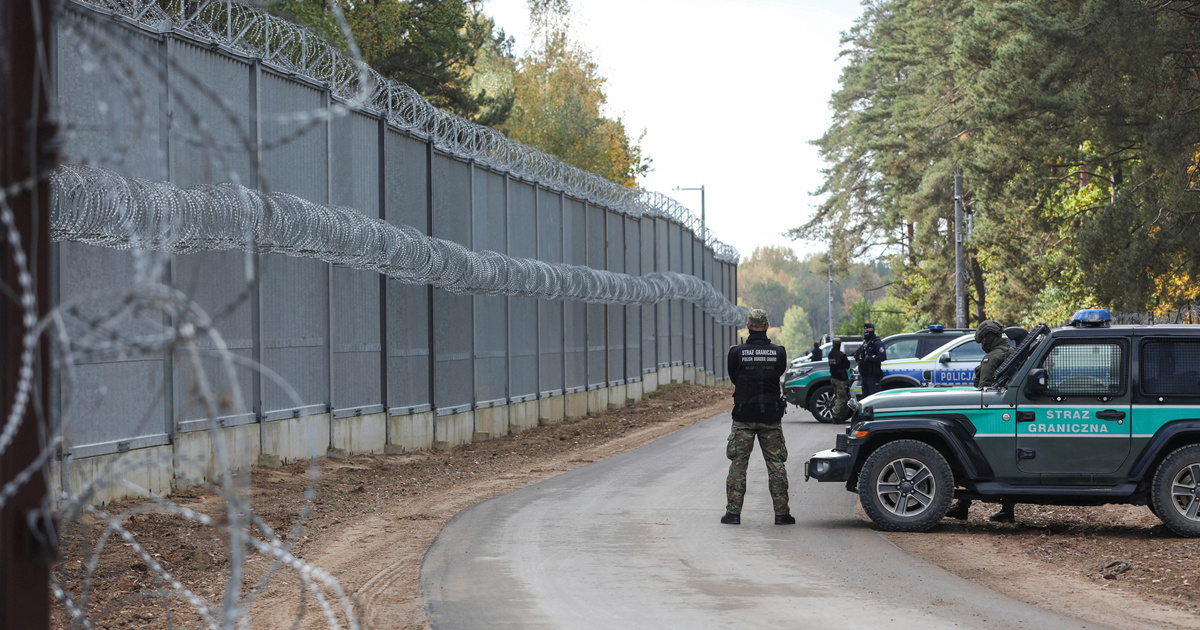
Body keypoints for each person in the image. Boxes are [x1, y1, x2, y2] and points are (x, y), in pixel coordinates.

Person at [722, 308, 795, 526]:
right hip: (771, 417)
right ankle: (782, 515)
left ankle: (733, 514)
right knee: (776, 464)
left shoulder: (736, 352)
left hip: (744, 416)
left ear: (748, 326)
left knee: (738, 464)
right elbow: (779, 372)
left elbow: (735, 378)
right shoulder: (779, 352)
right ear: (767, 326)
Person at [945, 320, 1017, 523]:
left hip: (991, 415)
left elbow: (983, 390)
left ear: (989, 337)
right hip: (1006, 414)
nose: (982, 345)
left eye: (983, 340)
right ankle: (1006, 510)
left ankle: (962, 506)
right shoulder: (1010, 352)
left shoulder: (993, 357)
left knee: (970, 456)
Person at [854, 322, 886, 398]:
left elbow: (882, 356)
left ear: (873, 330)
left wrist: (869, 358)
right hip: (864, 375)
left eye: (868, 330)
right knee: (865, 399)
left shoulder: (877, 343)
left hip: (873, 375)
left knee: (874, 398)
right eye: (865, 331)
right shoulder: (865, 343)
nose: (866, 332)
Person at [828, 338, 852, 422]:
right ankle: (836, 415)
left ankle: (839, 415)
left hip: (833, 378)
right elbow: (847, 366)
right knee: (841, 398)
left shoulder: (830, 354)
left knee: (839, 397)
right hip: (840, 380)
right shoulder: (841, 355)